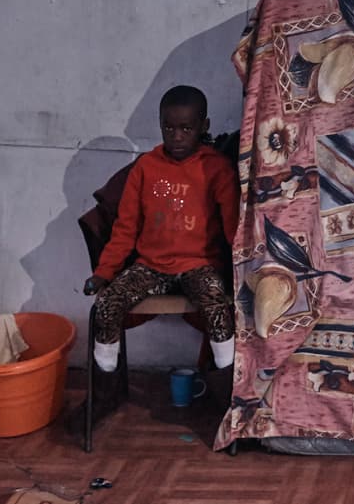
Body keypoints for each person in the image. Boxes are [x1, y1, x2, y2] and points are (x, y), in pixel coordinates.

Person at [83, 85, 238, 373]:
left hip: (199, 265)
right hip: (151, 266)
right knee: (109, 301)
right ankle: (107, 369)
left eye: (186, 128)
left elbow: (233, 228)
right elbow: (125, 229)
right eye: (169, 127)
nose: (177, 136)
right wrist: (103, 272)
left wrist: (248, 270)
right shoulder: (146, 167)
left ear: (203, 126)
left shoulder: (217, 169)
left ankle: (226, 369)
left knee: (216, 302)